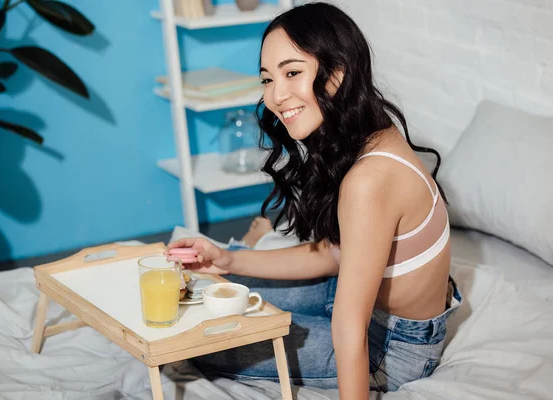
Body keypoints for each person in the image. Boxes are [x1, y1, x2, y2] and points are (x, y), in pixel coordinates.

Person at [167, 2, 462, 398]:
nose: (276, 96)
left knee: (199, 339)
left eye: (292, 73)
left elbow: (349, 323)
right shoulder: (368, 132)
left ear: (338, 73)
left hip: (391, 345)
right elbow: (336, 254)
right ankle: (237, 255)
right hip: (348, 291)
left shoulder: (370, 178)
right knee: (211, 289)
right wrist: (229, 258)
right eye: (267, 80)